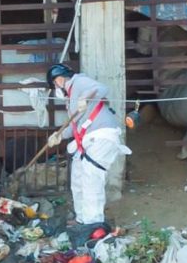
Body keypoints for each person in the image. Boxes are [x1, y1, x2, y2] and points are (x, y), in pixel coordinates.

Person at [44, 64, 131, 226]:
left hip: (102, 136)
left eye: (54, 84)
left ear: (59, 80)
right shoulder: (70, 100)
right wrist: (58, 136)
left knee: (91, 179)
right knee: (77, 178)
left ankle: (92, 223)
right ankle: (82, 218)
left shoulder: (78, 82)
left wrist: (85, 97)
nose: (56, 88)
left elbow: (101, 88)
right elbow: (74, 126)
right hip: (87, 140)